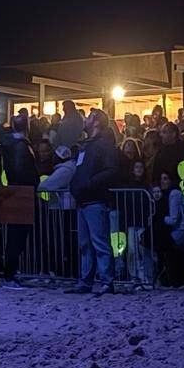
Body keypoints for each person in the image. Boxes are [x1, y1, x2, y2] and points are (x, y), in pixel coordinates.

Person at [66, 108, 118, 295]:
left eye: (89, 117)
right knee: (86, 244)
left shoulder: (103, 145)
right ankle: (86, 281)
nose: (85, 120)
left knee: (99, 242)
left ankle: (106, 281)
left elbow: (111, 170)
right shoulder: (87, 145)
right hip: (84, 200)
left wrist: (89, 183)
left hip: (94, 200)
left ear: (96, 122)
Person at [0, 113, 39, 285]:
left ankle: (11, 271)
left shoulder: (12, 144)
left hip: (17, 189)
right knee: (17, 235)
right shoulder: (20, 146)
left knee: (16, 235)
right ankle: (9, 272)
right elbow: (19, 169)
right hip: (22, 191)